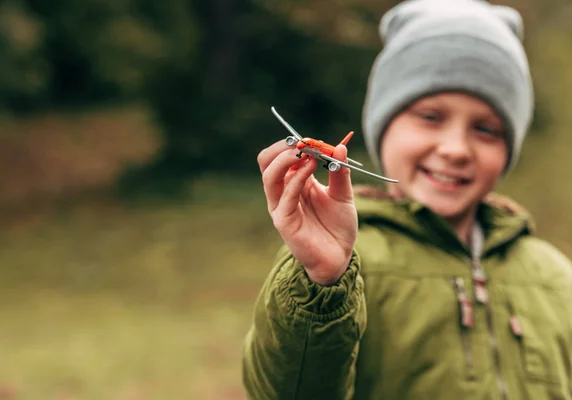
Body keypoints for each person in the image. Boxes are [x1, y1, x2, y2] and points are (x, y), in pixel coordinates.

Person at [241, 0, 572, 399]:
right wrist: (323, 285)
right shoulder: (340, 263)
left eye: (485, 129)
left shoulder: (555, 277)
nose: (455, 149)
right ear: (382, 125)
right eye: (431, 117)